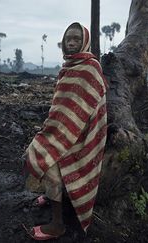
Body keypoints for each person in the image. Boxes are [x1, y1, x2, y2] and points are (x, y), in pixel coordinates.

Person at [23, 22, 108, 240]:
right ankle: (52, 196)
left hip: (82, 137)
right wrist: (55, 129)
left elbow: (92, 109)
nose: (71, 43)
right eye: (68, 39)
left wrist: (67, 132)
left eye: (76, 39)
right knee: (36, 149)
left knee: (50, 164)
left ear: (85, 42)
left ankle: (58, 224)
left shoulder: (91, 68)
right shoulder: (67, 68)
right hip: (63, 131)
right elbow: (62, 106)